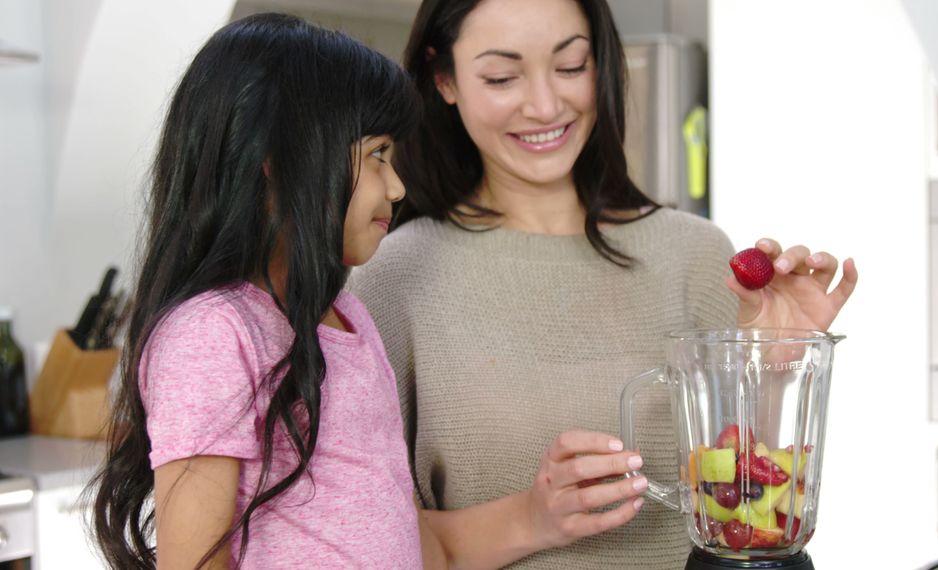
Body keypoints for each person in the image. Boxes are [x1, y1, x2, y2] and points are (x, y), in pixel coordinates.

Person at [346, 0, 859, 569]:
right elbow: (362, 542)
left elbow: (747, 504)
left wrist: (774, 363)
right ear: (444, 79)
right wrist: (531, 518)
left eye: (570, 67)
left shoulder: (695, 254)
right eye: (502, 77)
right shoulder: (394, 277)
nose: (544, 105)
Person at [88, 14, 447, 569]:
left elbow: (394, 530)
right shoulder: (213, 332)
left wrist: (539, 515)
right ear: (278, 163)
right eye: (377, 154)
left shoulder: (347, 317)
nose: (397, 186)